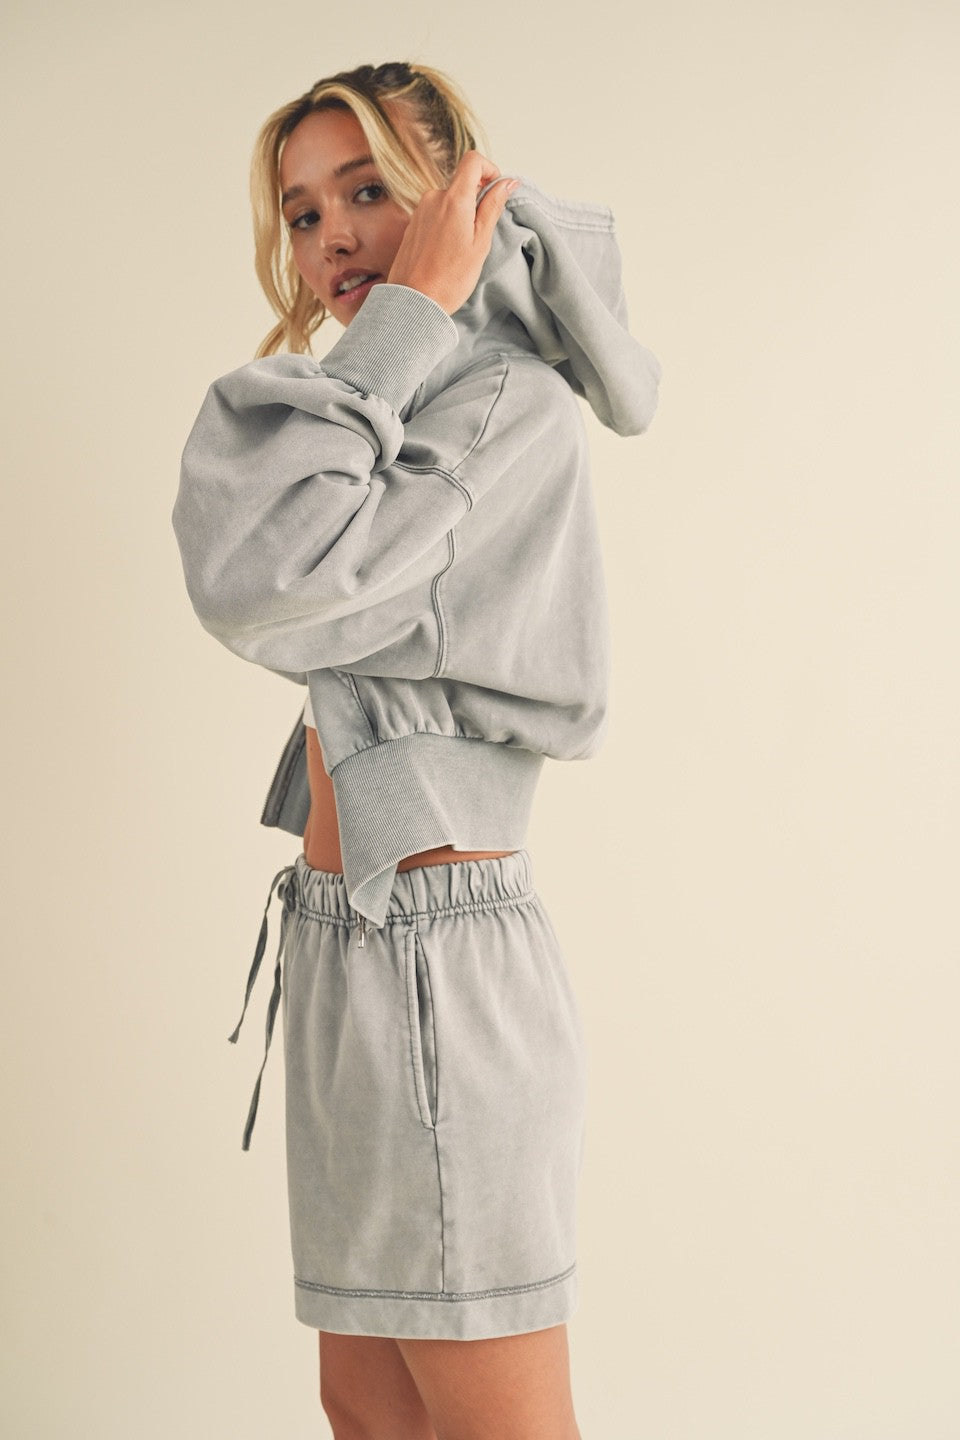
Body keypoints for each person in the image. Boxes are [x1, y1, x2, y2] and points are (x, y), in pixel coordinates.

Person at [172, 59, 661, 1440]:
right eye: (303, 211)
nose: (331, 236)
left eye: (367, 192)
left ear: (452, 201)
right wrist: (392, 342)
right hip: (347, 946)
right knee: (367, 1405)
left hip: (438, 967)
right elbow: (254, 547)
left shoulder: (502, 407)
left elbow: (262, 574)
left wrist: (410, 316)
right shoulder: (375, 413)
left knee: (497, 1423)